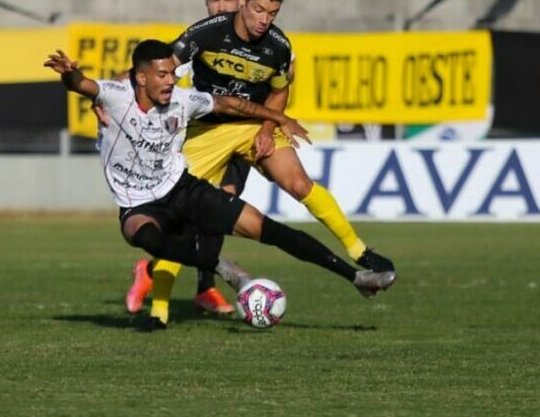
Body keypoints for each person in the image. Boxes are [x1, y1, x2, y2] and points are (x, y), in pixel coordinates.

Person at [45, 40, 395, 330]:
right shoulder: (115, 97)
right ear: (140, 78)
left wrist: (278, 117)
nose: (171, 80)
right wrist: (69, 73)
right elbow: (81, 84)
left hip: (181, 189)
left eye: (173, 73)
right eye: (163, 74)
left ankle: (355, 277)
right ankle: (225, 270)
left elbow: (232, 104)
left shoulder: (183, 100)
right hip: (138, 205)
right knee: (149, 239)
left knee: (266, 228)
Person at [132, 0, 396, 326]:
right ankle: (160, 311)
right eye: (258, 10)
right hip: (207, 130)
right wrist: (114, 95)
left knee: (299, 183)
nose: (263, 20)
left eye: (272, 13)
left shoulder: (278, 46)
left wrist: (269, 128)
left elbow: (279, 91)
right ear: (243, 2)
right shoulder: (206, 32)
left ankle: (359, 251)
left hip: (254, 125)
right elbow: (161, 69)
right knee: (184, 218)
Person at [121, 0, 249, 315]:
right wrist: (107, 95)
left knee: (223, 206)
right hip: (202, 137)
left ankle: (199, 286)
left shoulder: (261, 39)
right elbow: (151, 76)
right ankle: (164, 276)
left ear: (242, 0)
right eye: (214, 0)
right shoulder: (197, 41)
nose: (221, 7)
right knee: (200, 213)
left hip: (242, 135)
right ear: (205, 1)